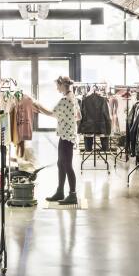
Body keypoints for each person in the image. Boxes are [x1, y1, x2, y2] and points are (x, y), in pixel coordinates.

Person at [39, 75, 80, 205]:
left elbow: (50, 113)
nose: (56, 88)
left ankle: (72, 195)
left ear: (62, 85)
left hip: (66, 136)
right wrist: (67, 119)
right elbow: (78, 116)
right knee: (61, 163)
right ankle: (60, 191)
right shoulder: (73, 97)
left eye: (57, 85)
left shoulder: (64, 99)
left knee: (67, 165)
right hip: (68, 135)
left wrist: (36, 105)